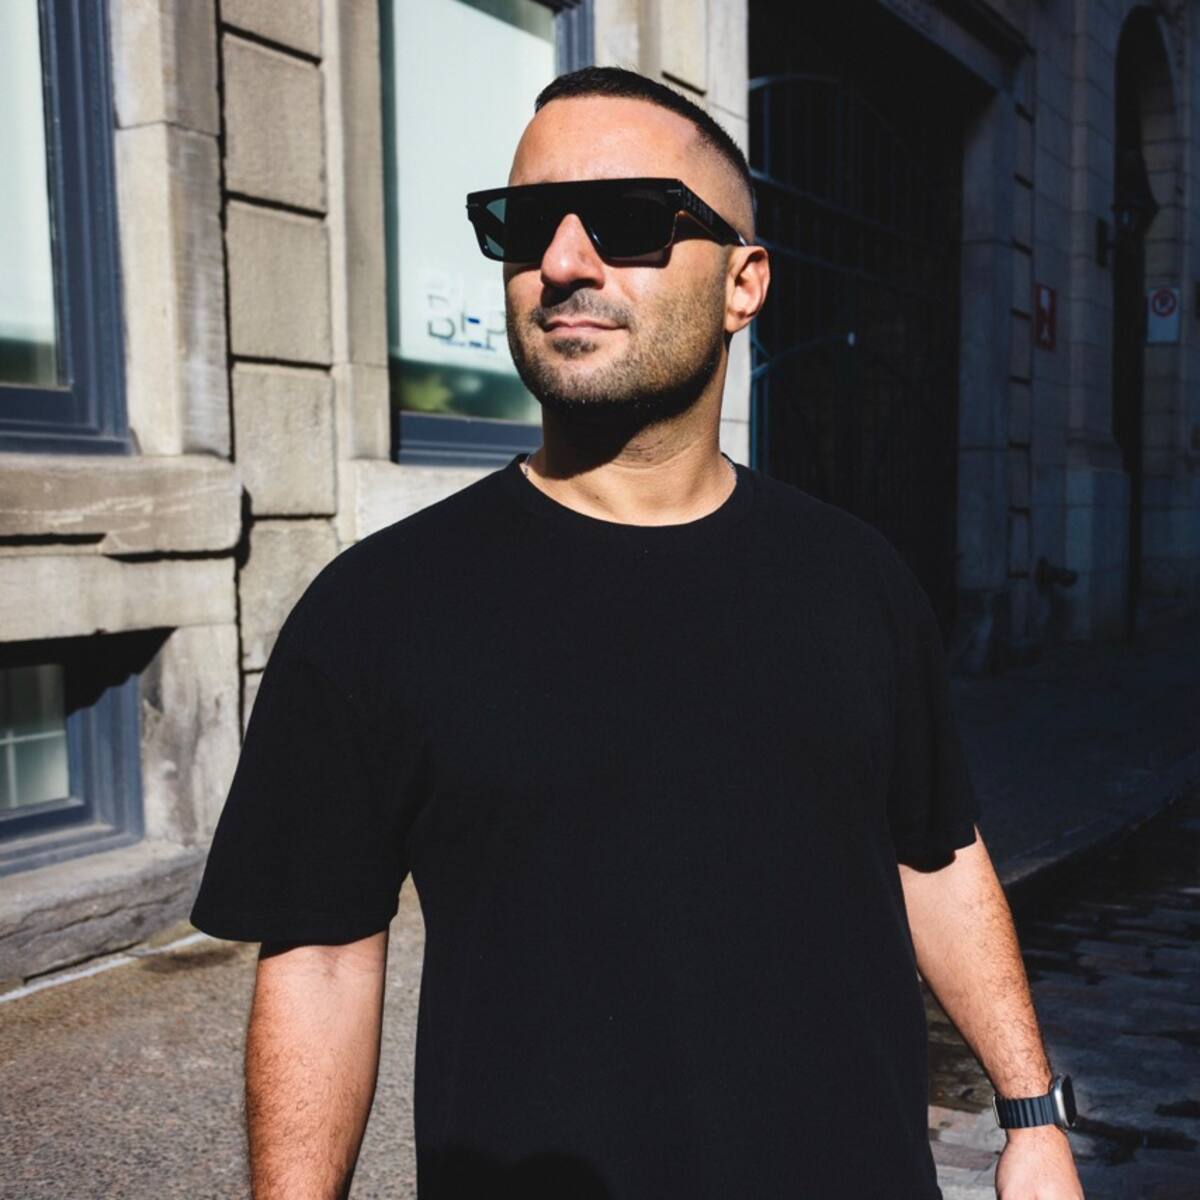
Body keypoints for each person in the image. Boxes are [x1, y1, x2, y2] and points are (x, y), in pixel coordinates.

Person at [190, 66, 1084, 1200]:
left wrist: (1032, 1115)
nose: (564, 261)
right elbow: (319, 957)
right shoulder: (376, 610)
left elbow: (937, 854)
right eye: (526, 226)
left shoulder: (858, 580)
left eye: (624, 220)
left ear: (744, 283)